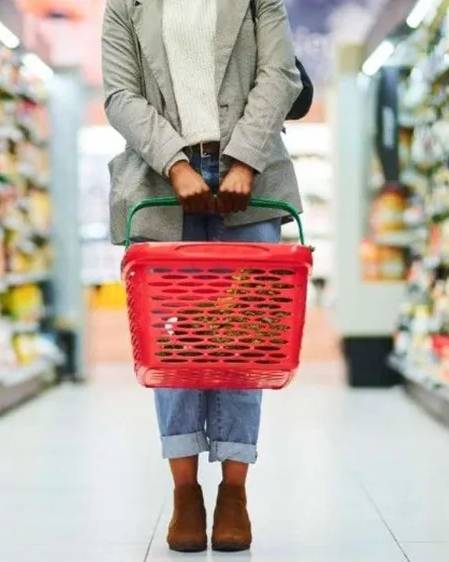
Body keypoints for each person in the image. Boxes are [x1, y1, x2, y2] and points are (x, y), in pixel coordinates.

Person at [101, 0, 303, 553]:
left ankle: (234, 491)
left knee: (245, 344)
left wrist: (243, 160)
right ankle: (185, 491)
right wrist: (176, 163)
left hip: (252, 179)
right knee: (175, 347)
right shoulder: (126, 5)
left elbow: (279, 74)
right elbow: (121, 96)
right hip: (161, 182)